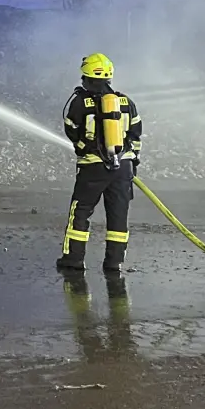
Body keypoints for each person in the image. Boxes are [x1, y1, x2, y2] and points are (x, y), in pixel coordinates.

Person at [56, 53, 142, 272]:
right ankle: (115, 263)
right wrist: (133, 163)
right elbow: (136, 134)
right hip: (123, 167)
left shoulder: (80, 102)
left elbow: (71, 129)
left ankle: (73, 259)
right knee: (118, 214)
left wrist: (83, 147)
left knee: (81, 211)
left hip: (93, 167)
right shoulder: (126, 102)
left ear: (85, 77)